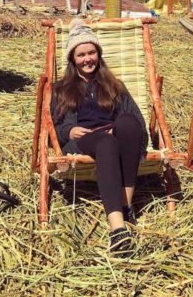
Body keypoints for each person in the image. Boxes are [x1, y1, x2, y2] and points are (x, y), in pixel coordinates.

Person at [51, 19, 147, 256]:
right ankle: (118, 230)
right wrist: (68, 131)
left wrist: (122, 130)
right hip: (83, 141)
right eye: (81, 54)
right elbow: (52, 127)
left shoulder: (115, 85)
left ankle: (125, 205)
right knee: (106, 142)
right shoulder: (60, 89)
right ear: (73, 59)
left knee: (128, 123)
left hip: (112, 136)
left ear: (99, 54)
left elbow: (137, 122)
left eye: (91, 52)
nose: (87, 59)